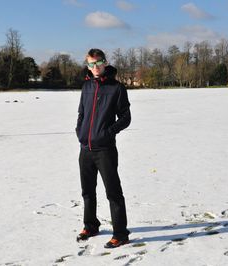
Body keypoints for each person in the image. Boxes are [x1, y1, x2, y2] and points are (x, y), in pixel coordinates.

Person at [75, 48, 131, 248]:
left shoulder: (116, 88)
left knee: (113, 192)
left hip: (105, 150)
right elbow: (81, 112)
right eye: (91, 64)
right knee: (87, 191)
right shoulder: (86, 86)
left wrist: (108, 133)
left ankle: (121, 233)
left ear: (105, 63)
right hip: (85, 148)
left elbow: (126, 118)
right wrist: (80, 131)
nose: (95, 67)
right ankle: (90, 225)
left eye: (98, 63)